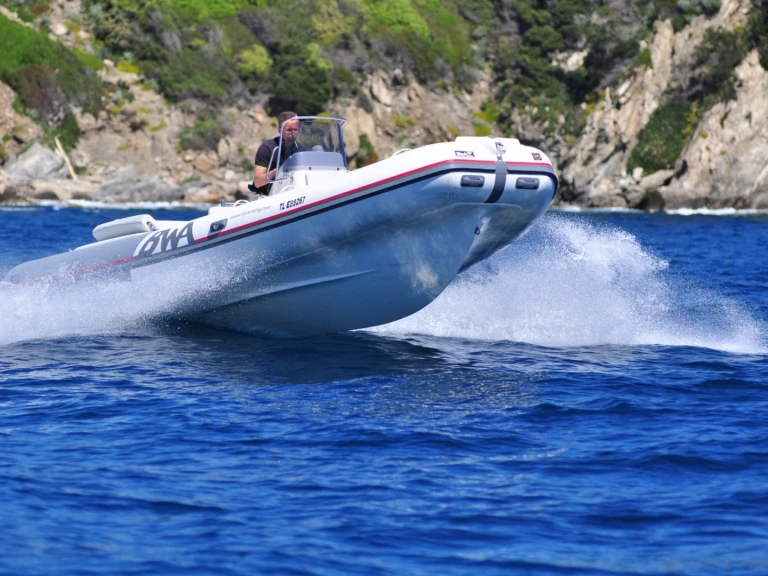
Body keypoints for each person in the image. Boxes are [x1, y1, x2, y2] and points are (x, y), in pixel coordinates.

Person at [251, 111, 306, 196]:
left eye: (295, 130)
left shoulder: (301, 150)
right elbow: (257, 182)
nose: (293, 133)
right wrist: (277, 171)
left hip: (289, 193)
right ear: (279, 130)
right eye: (289, 130)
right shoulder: (267, 148)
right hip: (264, 195)